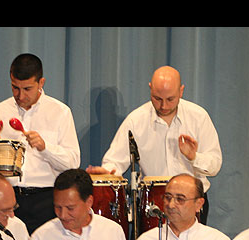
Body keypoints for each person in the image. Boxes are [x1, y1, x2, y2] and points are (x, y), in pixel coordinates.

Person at [87, 66, 222, 223]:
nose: (163, 106)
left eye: (170, 99)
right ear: (150, 88)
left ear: (181, 91)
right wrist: (106, 172)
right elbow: (115, 162)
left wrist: (194, 157)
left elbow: (214, 166)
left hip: (191, 202)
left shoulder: (198, 117)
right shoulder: (136, 120)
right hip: (153, 203)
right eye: (157, 99)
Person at [0, 53, 80, 234]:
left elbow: (72, 163)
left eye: (27, 89)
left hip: (46, 200)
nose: (20, 95)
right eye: (15, 88)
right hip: (6, 200)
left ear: (41, 83)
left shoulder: (60, 112)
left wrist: (45, 148)